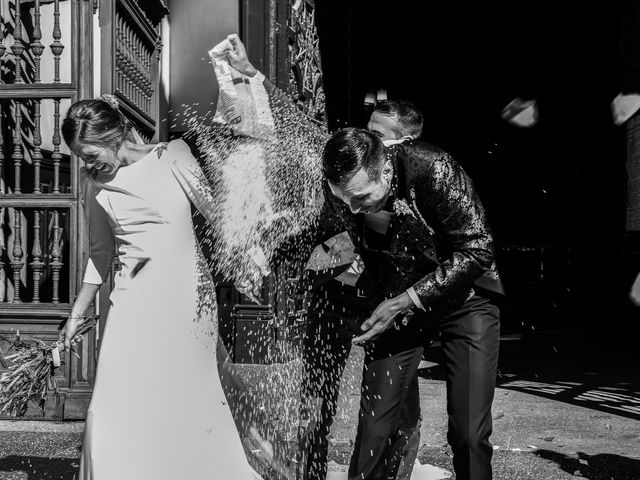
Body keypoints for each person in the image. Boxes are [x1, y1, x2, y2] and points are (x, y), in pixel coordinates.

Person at [227, 34, 504, 480]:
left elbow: (477, 247)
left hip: (464, 299)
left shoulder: (433, 167)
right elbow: (303, 128)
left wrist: (405, 300)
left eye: (362, 198)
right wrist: (265, 258)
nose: (352, 210)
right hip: (390, 300)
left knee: (468, 433)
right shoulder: (347, 171)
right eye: (345, 200)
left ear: (387, 157)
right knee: (374, 425)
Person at [60, 96, 266, 480]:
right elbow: (100, 253)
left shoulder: (173, 156)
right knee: (112, 398)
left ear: (113, 134)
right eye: (79, 158)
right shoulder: (96, 186)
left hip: (187, 296)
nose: (86, 165)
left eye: (89, 154)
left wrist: (245, 264)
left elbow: (217, 214)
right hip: (131, 298)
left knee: (184, 393)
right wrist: (76, 314)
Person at [299, 99, 425, 480]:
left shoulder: (415, 182)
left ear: (406, 141)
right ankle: (311, 472)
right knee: (315, 396)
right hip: (332, 296)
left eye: (379, 133)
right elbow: (299, 124)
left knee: (395, 404)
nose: (369, 137)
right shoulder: (347, 161)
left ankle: (392, 473)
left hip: (383, 306)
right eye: (367, 128)